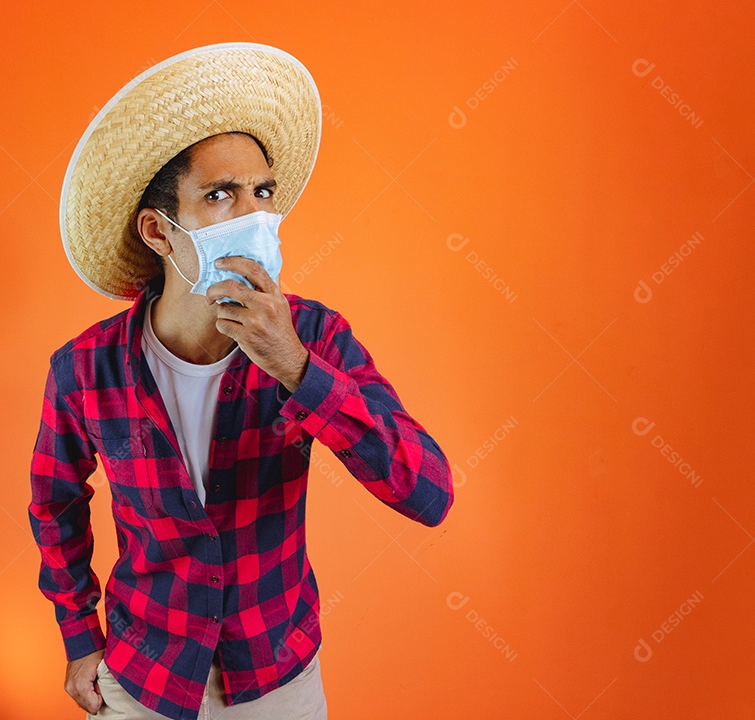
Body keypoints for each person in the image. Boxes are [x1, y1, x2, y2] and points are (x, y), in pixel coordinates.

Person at [29, 42, 454, 720]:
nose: (254, 215)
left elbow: (428, 492)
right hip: (143, 682)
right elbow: (54, 505)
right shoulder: (84, 370)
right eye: (220, 195)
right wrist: (80, 636)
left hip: (279, 681)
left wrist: (295, 369)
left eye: (262, 193)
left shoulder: (314, 337)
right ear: (159, 231)